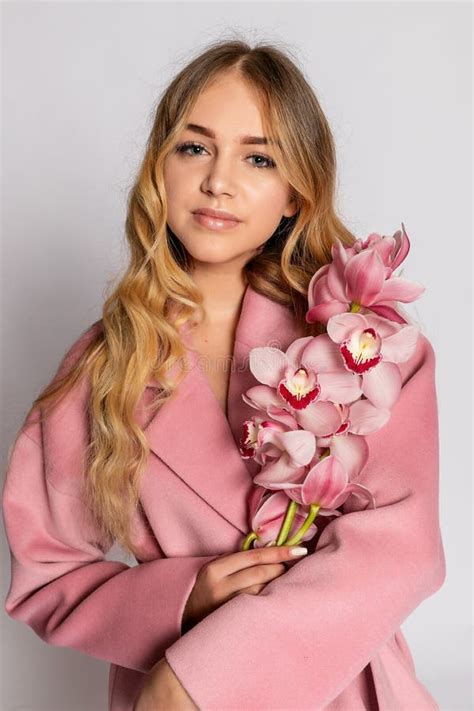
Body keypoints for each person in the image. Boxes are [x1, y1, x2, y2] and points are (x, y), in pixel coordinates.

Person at [2, 39, 445, 711]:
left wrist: (202, 677)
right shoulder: (105, 366)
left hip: (339, 687)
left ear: (296, 193)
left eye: (258, 157)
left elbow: (402, 550)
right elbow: (46, 572)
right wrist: (186, 595)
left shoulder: (362, 343)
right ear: (160, 167)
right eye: (194, 147)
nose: (219, 180)